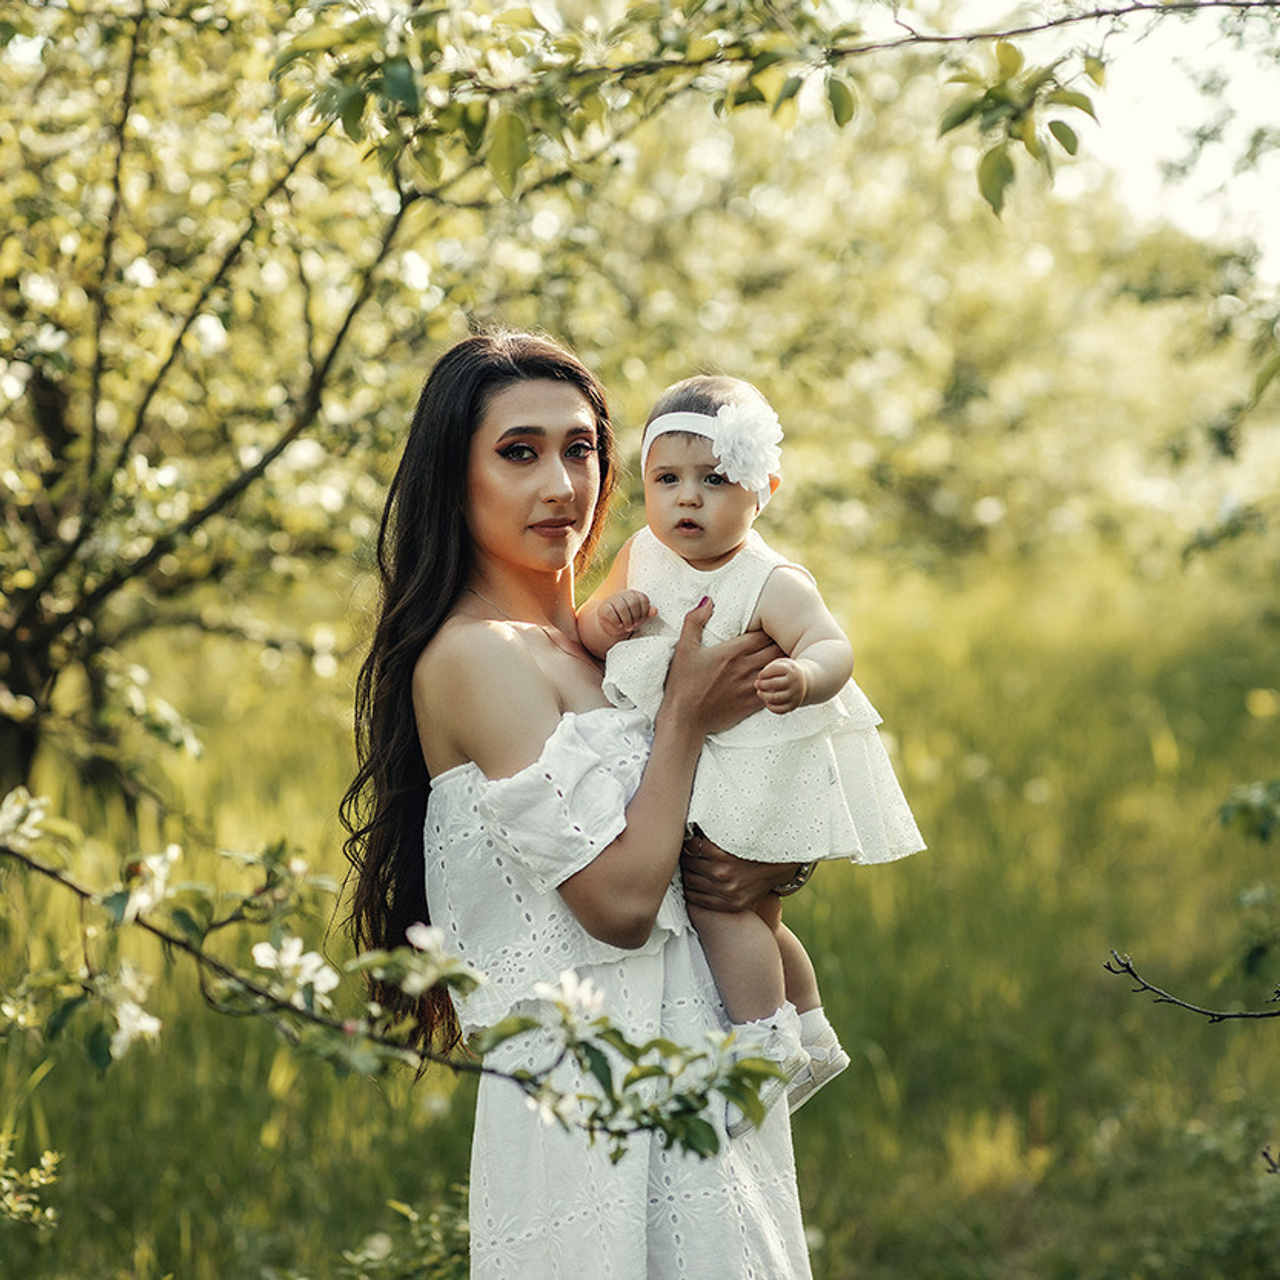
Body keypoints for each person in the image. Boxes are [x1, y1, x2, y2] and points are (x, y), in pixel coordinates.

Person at [341, 332, 815, 1279]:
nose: (561, 483)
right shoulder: (476, 657)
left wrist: (770, 867)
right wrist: (685, 712)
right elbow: (619, 906)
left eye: (580, 448)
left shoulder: (608, 645)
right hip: (585, 1107)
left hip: (697, 1076)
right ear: (453, 474)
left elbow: (697, 838)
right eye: (519, 452)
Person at [578, 374, 926, 1129]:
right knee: (758, 919)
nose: (687, 499)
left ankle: (758, 1053)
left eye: (714, 480)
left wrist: (804, 675)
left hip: (751, 764)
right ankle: (808, 1029)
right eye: (667, 480)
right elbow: (586, 626)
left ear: (762, 490)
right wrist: (612, 619)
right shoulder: (641, 555)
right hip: (694, 756)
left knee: (723, 903)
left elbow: (833, 644)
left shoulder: (765, 577)